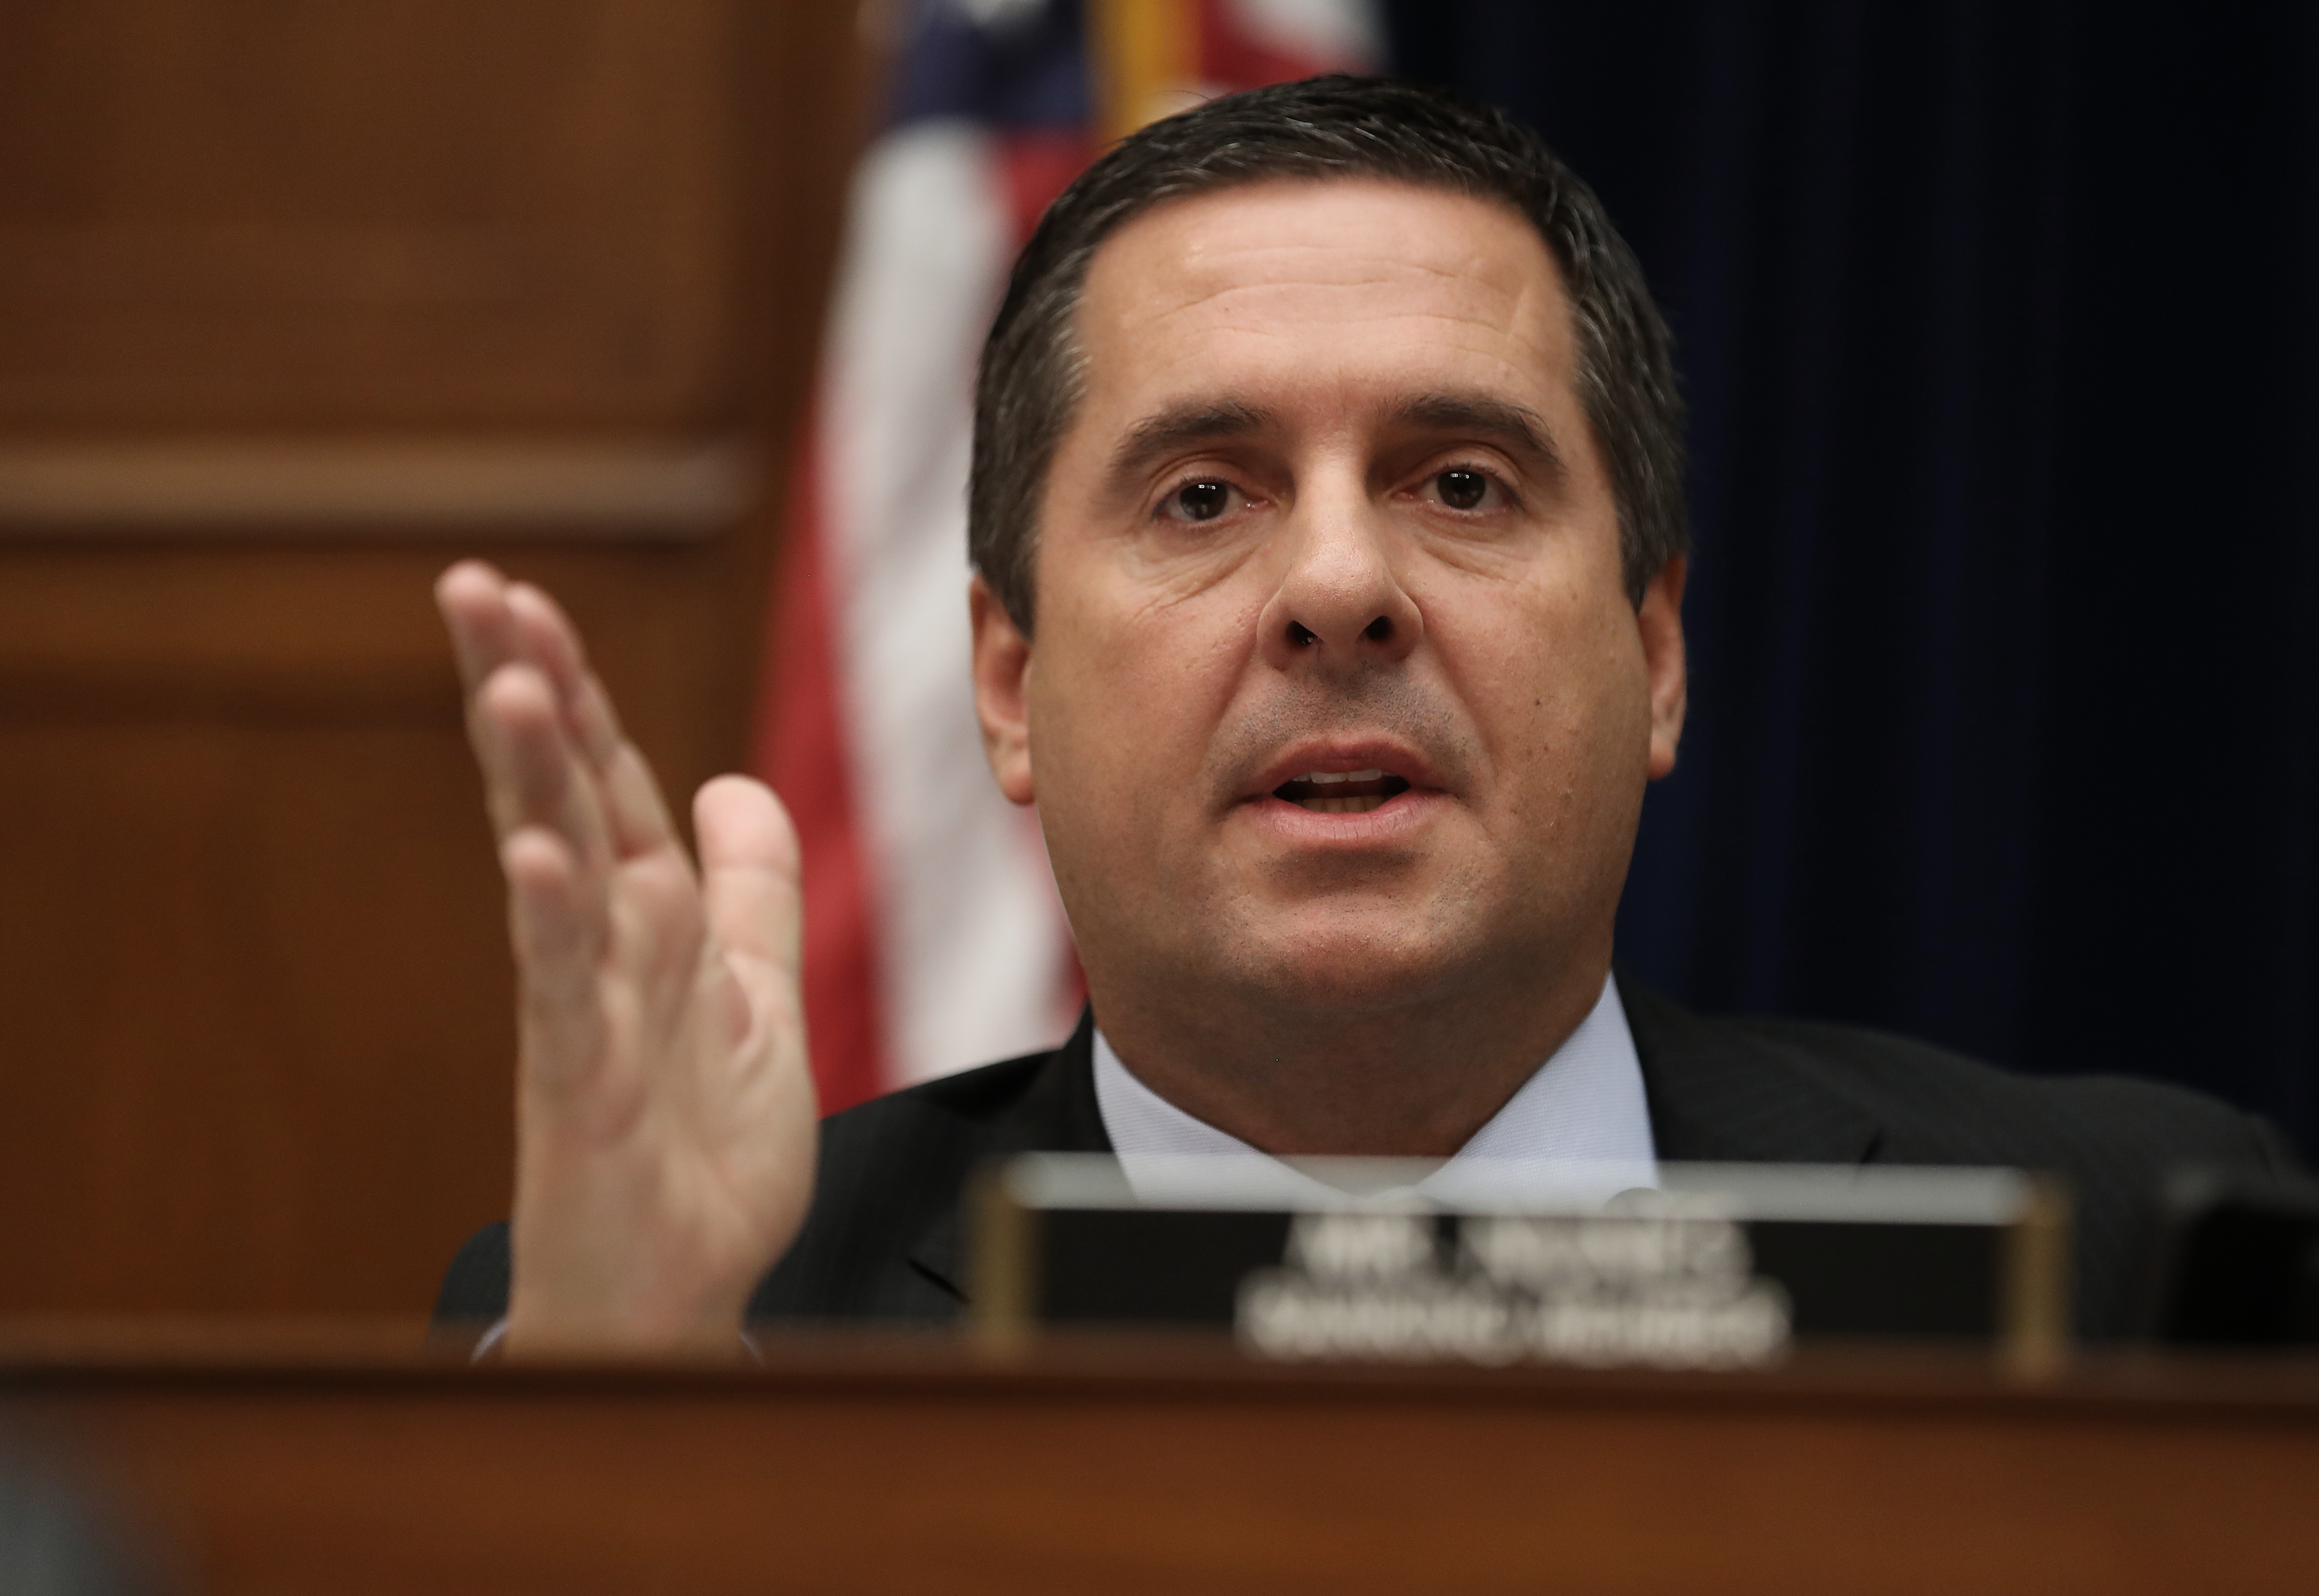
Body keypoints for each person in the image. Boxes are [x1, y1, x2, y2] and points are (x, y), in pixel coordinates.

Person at [431, 76, 2293, 1354]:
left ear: (1658, 654)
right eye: (1205, 496)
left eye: (1464, 484)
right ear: (1009, 688)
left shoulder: (2127, 1253)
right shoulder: (688, 1315)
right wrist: (636, 1420)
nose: (1340, 586)